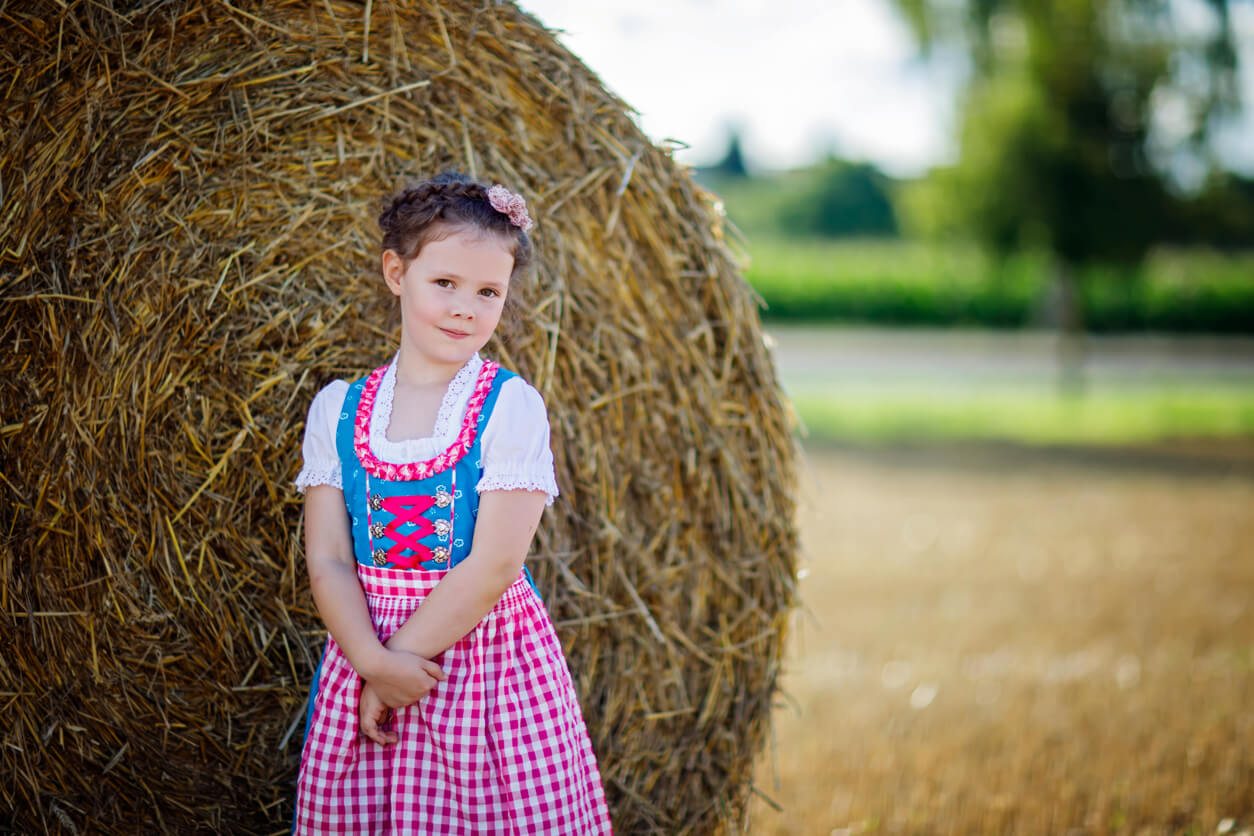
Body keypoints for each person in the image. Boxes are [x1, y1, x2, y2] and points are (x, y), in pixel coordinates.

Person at [292, 172, 612, 834]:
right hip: (366, 648)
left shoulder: (508, 408)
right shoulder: (339, 411)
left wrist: (392, 668)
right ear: (395, 272)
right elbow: (328, 560)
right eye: (445, 284)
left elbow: (495, 564)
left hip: (482, 669)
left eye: (488, 292)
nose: (466, 307)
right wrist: (372, 662)